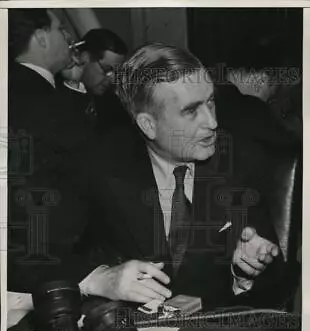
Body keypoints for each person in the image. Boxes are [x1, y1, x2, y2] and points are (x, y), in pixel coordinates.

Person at [76, 43, 298, 311]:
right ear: (148, 124)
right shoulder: (99, 165)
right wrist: (100, 279)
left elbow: (279, 284)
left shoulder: (240, 161)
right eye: (191, 111)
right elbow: (41, 256)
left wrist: (244, 274)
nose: (212, 122)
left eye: (211, 102)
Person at [8, 9, 91, 292]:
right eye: (60, 29)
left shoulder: (19, 89)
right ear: (41, 37)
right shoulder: (39, 99)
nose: (68, 39)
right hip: (50, 263)